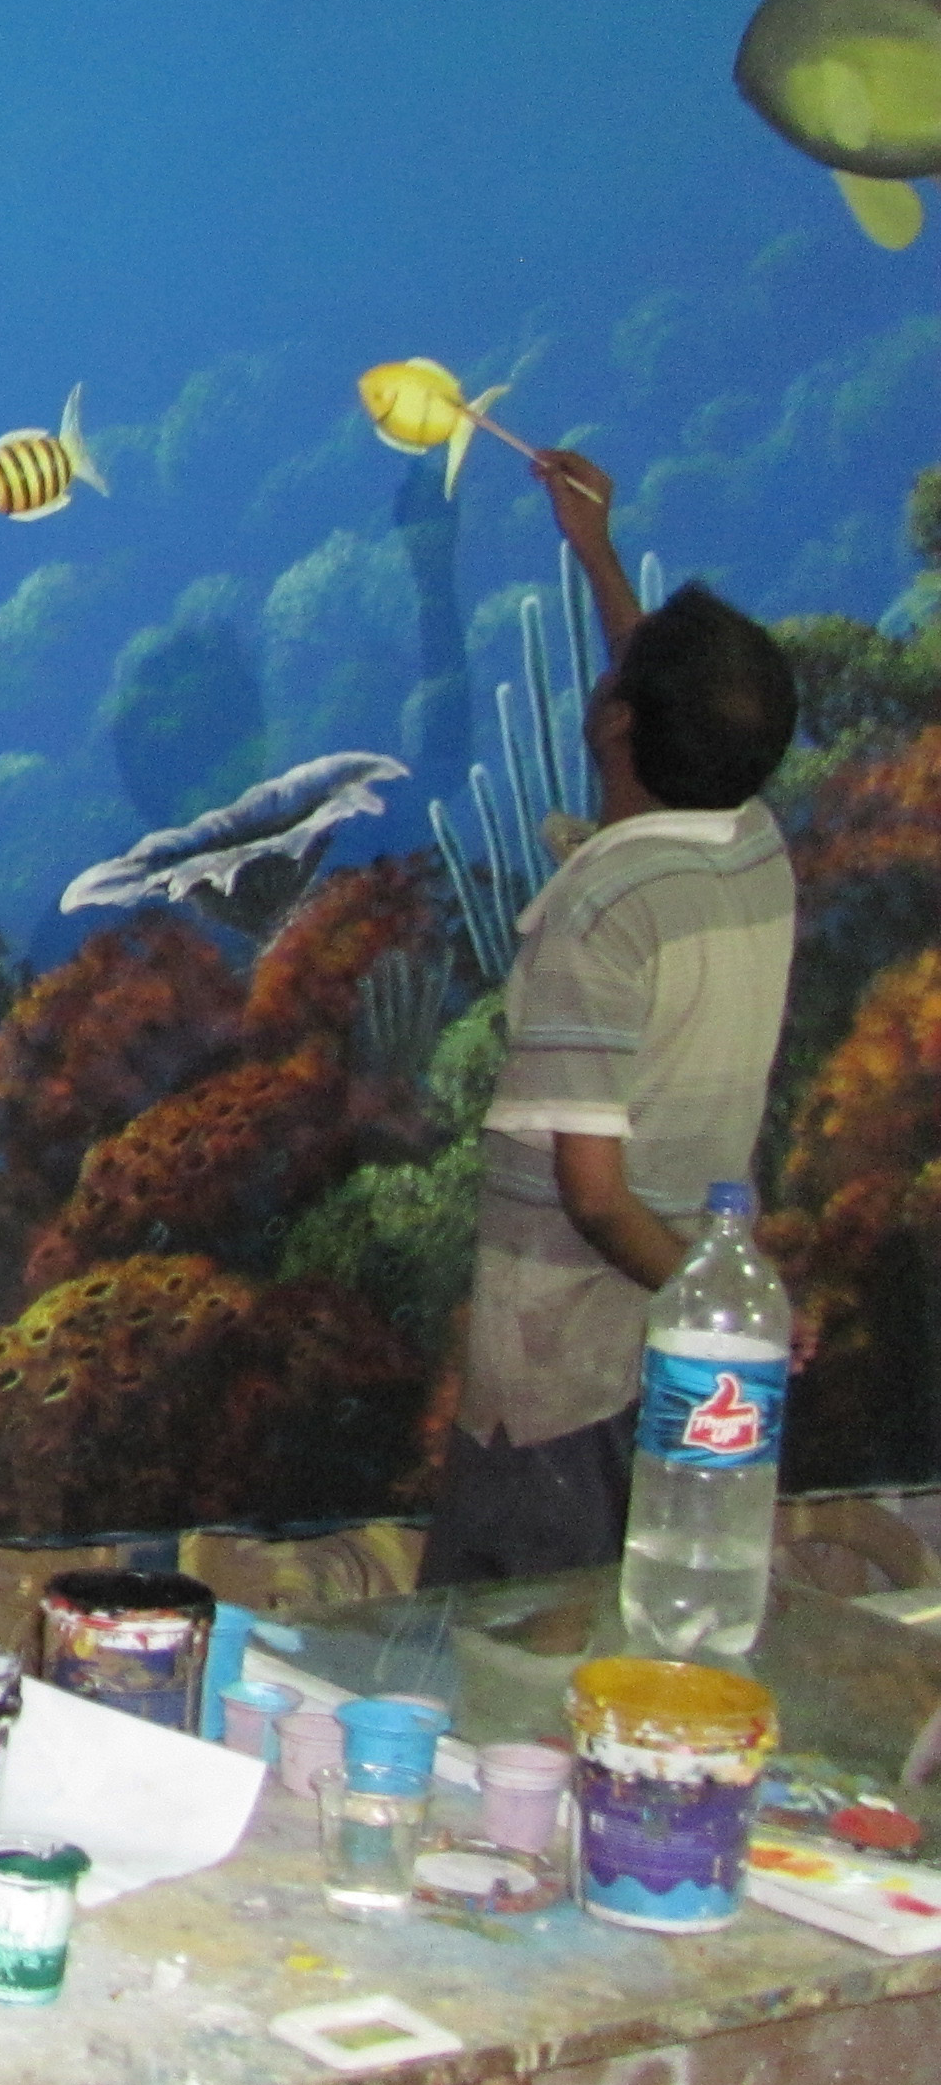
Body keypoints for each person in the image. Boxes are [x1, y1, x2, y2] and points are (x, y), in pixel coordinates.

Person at [418, 444, 802, 1586]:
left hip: (566, 1378)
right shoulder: (754, 847)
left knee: (519, 1644)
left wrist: (716, 1310)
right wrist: (598, 555)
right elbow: (673, 721)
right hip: (687, 1364)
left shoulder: (600, 912)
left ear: (614, 725)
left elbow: (592, 1194)